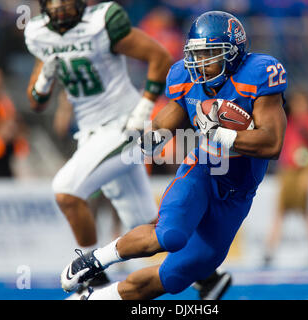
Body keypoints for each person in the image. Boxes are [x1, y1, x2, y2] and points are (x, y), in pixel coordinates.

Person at [60, 11, 287, 300]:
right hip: (204, 169)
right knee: (170, 235)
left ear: (233, 54)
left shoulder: (259, 74)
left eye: (209, 52)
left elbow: (272, 143)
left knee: (177, 276)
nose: (200, 61)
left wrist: (222, 134)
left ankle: (92, 299)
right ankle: (96, 259)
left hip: (238, 193)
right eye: (196, 52)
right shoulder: (185, 77)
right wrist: (150, 137)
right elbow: (170, 118)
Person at [25, 1, 229, 299]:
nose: (62, 6)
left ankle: (91, 281)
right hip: (90, 132)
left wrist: (143, 108)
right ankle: (208, 278)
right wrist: (44, 81)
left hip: (124, 124)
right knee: (143, 223)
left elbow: (158, 56)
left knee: (66, 190)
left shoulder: (102, 22)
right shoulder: (38, 34)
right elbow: (36, 103)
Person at [263, 91, 308, 267]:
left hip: (302, 172)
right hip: (288, 171)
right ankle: (269, 250)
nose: (299, 107)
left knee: (307, 212)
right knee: (280, 211)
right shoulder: (289, 121)